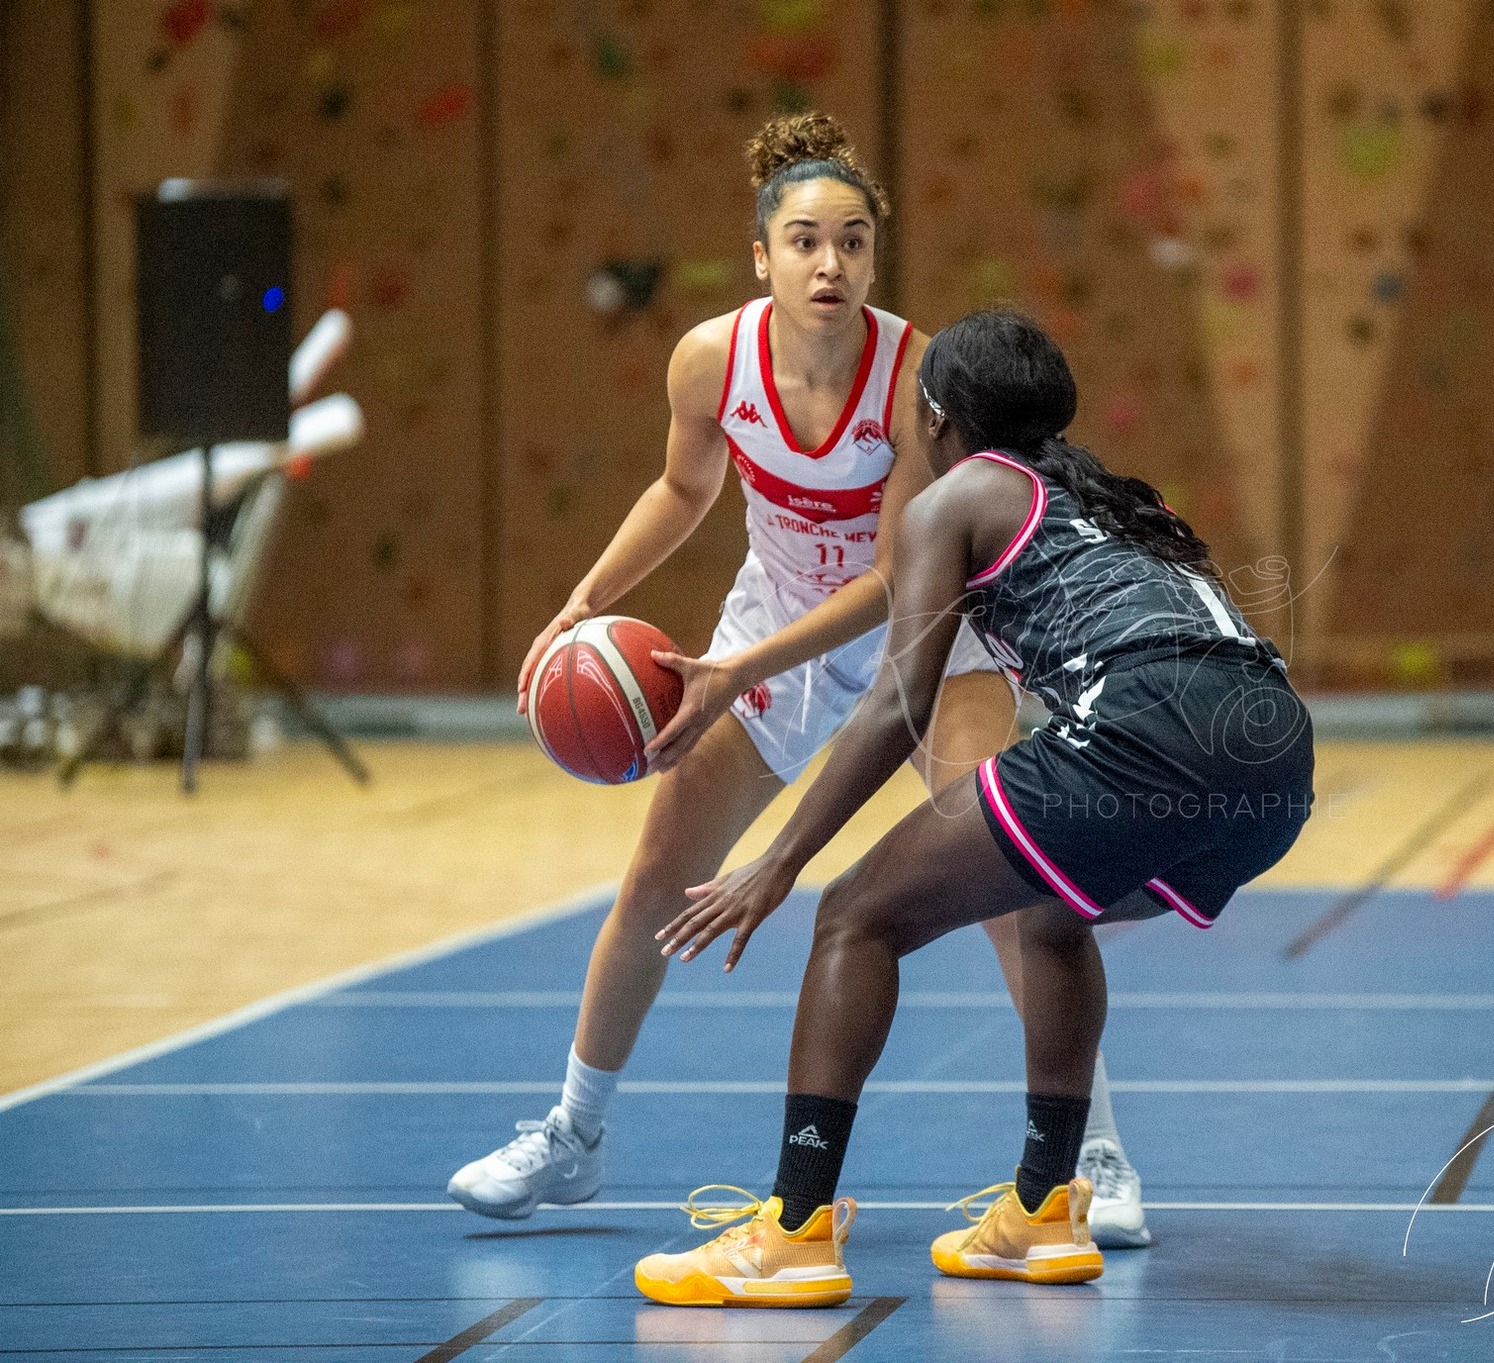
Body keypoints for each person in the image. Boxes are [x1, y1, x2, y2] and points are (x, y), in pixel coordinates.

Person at [446, 116, 1151, 1249]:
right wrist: (583, 598)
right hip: (768, 625)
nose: (831, 264)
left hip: (926, 629)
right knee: (656, 878)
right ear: (762, 255)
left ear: (875, 258)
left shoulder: (910, 377)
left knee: (1014, 878)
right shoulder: (708, 361)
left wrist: (735, 673)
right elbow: (681, 492)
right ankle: (571, 1138)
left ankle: (1093, 1157)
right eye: (807, 241)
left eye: (853, 242)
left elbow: (889, 577)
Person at [630, 308, 1315, 1308]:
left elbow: (898, 700)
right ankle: (1042, 1209)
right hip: (1272, 755)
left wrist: (779, 861)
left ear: (938, 418)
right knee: (1046, 909)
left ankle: (791, 1233)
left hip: (1145, 725)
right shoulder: (1126, 499)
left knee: (852, 914)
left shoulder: (954, 497)